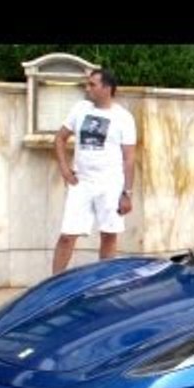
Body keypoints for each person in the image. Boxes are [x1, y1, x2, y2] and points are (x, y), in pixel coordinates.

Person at [53, 68, 136, 275]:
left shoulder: (123, 118)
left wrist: (127, 193)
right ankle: (52, 285)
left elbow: (129, 158)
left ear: (107, 88)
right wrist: (64, 168)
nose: (87, 88)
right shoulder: (80, 109)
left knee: (108, 234)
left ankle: (102, 282)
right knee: (67, 235)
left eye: (92, 84)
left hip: (110, 184)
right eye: (87, 84)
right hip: (81, 183)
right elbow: (60, 138)